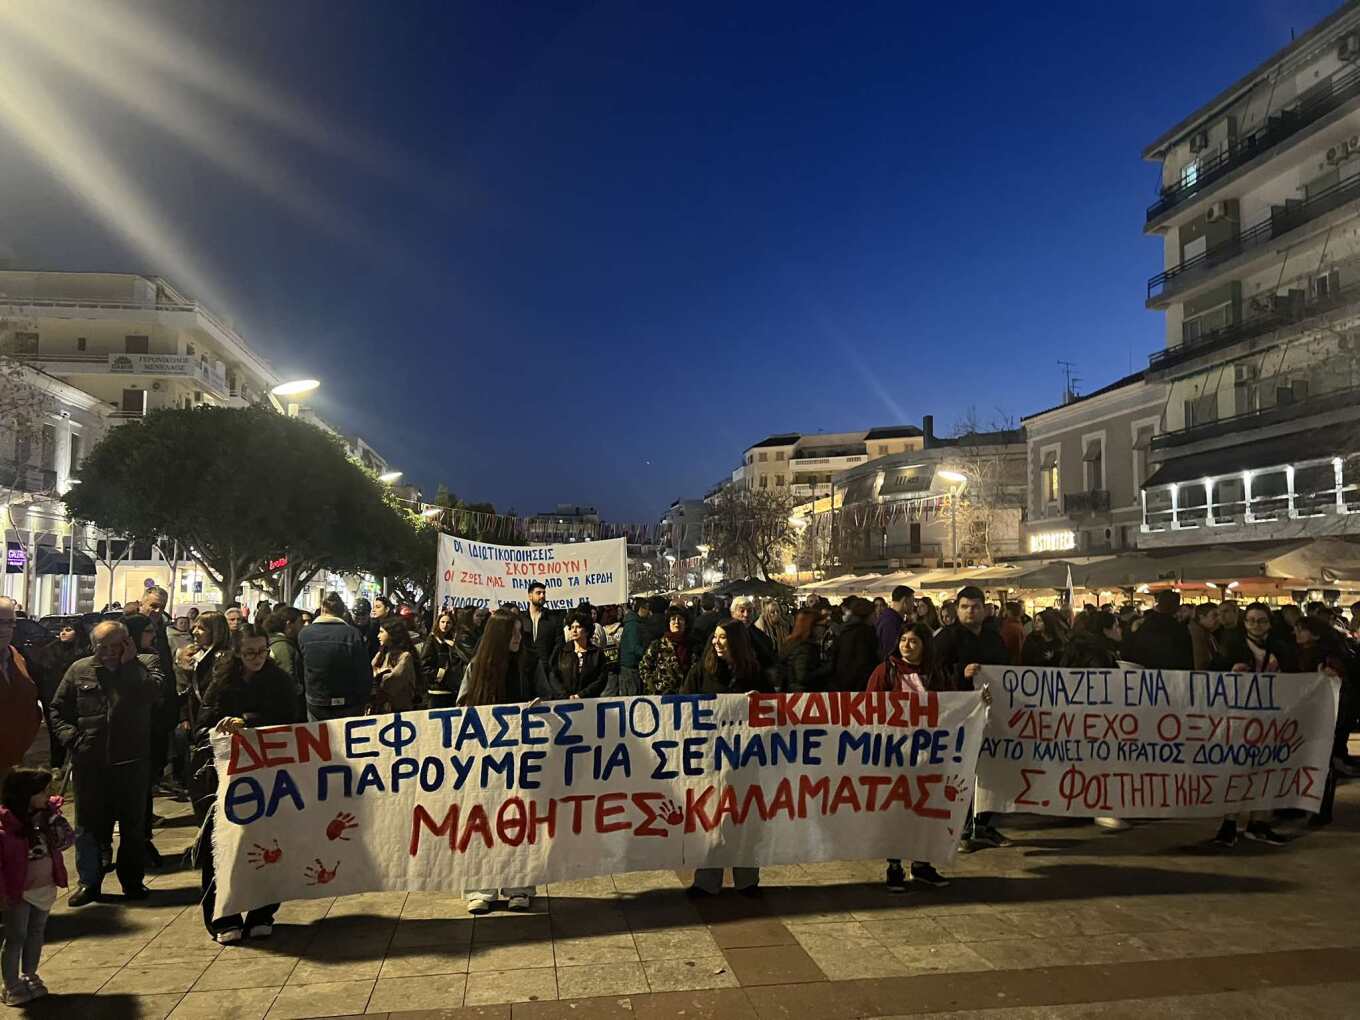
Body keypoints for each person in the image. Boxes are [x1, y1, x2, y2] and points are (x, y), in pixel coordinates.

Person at [195, 624, 300, 943]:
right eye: (250, 652)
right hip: (225, 778)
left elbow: (293, 724)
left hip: (268, 776)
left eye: (263, 651)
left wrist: (250, 723)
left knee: (268, 844)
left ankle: (262, 912)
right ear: (237, 653)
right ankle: (223, 915)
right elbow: (203, 725)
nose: (258, 658)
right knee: (224, 844)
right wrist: (222, 726)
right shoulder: (221, 682)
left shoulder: (281, 682)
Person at [50, 620, 160, 906]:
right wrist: (72, 739)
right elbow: (58, 710)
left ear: (128, 644)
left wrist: (129, 666)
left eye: (117, 646)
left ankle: (132, 882)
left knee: (132, 827)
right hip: (90, 764)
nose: (110, 652)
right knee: (88, 826)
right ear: (93, 645)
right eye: (104, 646)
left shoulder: (141, 668)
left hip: (131, 763)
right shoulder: (79, 670)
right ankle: (89, 882)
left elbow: (153, 696)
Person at [866, 624, 978, 890]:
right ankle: (894, 867)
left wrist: (977, 701)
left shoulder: (936, 674)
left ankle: (922, 865)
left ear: (925, 645)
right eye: (903, 640)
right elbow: (868, 707)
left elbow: (951, 706)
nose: (906, 646)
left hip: (929, 755)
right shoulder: (885, 671)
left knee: (926, 810)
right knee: (896, 811)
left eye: (913, 641)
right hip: (894, 754)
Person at [459, 611, 541, 913]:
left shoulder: (530, 665)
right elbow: (460, 709)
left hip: (522, 757)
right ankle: (481, 889)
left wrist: (540, 705)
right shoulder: (476, 668)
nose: (519, 639)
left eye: (520, 632)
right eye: (513, 633)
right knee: (482, 820)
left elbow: (548, 695)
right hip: (484, 760)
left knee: (518, 820)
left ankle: (519, 886)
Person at [683, 620, 770, 895]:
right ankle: (707, 881)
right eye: (715, 637)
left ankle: (747, 880)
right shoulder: (702, 670)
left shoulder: (755, 672)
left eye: (723, 638)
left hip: (746, 759)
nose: (716, 643)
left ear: (737, 642)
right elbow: (683, 703)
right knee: (711, 819)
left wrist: (759, 703)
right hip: (710, 757)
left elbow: (774, 708)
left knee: (744, 818)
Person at [935, 586, 1011, 850]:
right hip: (960, 717)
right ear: (957, 609)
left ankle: (986, 825)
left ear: (985, 608)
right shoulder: (947, 638)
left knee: (992, 770)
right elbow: (935, 674)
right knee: (963, 770)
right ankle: (963, 828)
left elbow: (1008, 670)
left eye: (975, 606)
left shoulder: (993, 638)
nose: (971, 611)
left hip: (994, 715)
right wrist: (961, 674)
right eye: (965, 607)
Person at [0, 768, 74, 1005]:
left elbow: (67, 841)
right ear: (25, 794)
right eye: (41, 792)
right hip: (19, 891)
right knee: (16, 936)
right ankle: (11, 984)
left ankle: (29, 975)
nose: (46, 795)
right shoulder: (6, 826)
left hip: (44, 886)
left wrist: (55, 821)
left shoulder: (45, 819)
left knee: (35, 932)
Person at [297, 594, 374, 722]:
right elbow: (364, 670)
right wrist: (365, 698)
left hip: (316, 700)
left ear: (322, 609)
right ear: (342, 612)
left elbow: (300, 667)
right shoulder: (353, 634)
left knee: (321, 739)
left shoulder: (305, 633)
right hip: (349, 702)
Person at [0, 598, 42, 786]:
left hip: (12, 759)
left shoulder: (16, 658)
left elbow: (29, 701)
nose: (4, 629)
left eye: (9, 623)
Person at [38, 621, 90, 770]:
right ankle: (57, 765)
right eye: (61, 630)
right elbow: (43, 676)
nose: (63, 633)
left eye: (68, 630)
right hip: (54, 697)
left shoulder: (84, 652)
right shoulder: (49, 651)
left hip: (78, 698)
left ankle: (76, 766)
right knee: (56, 732)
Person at [1122, 590, 1194, 670]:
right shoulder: (1179, 629)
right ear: (1176, 607)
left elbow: (1130, 651)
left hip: (1145, 674)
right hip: (1172, 675)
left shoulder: (1143, 624)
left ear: (1159, 603)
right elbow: (1186, 658)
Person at [553, 611, 609, 699]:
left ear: (586, 631)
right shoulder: (561, 651)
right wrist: (565, 695)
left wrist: (581, 695)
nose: (574, 630)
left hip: (590, 702)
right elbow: (553, 675)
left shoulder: (597, 653)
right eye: (572, 627)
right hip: (563, 702)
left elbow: (601, 679)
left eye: (578, 627)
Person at [421, 610, 470, 708]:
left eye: (448, 623)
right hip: (436, 690)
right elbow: (424, 664)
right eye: (442, 622)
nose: (445, 625)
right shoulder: (432, 640)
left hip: (452, 689)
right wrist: (439, 675)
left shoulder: (454, 641)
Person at [639, 608, 692, 696]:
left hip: (686, 697)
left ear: (686, 623)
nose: (677, 622)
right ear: (668, 623)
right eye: (673, 619)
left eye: (680, 619)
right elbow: (644, 667)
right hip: (662, 697)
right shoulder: (658, 645)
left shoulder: (692, 646)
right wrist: (654, 686)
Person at [371, 617, 419, 712]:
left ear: (392, 634)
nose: (378, 636)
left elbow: (392, 680)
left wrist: (379, 675)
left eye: (381, 632)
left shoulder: (405, 657)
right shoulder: (383, 653)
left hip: (398, 709)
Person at [832, 597, 881, 691]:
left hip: (842, 683)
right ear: (867, 614)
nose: (875, 616)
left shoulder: (844, 630)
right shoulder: (866, 632)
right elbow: (865, 660)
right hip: (861, 685)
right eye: (873, 613)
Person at [780, 608, 830, 693]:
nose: (824, 629)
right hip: (802, 696)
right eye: (822, 626)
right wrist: (826, 668)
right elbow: (802, 677)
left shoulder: (795, 643)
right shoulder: (805, 648)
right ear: (811, 627)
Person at [730, 598, 777, 684]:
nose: (746, 614)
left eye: (749, 611)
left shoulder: (760, 635)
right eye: (742, 611)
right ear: (733, 613)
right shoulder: (725, 634)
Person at [522, 582, 562, 683]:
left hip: (548, 671)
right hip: (525, 669)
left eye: (544, 593)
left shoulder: (553, 619)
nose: (542, 596)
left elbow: (559, 644)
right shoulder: (521, 619)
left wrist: (550, 663)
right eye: (538, 593)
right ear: (530, 596)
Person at [615, 598, 652, 697]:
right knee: (632, 696)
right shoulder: (633, 625)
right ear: (641, 609)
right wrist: (647, 655)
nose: (649, 612)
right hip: (630, 667)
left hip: (630, 666)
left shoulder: (636, 622)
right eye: (647, 608)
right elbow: (634, 647)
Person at [875, 585, 916, 661]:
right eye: (912, 601)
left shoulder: (889, 617)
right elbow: (891, 652)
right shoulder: (891, 622)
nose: (914, 605)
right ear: (905, 600)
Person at [1189, 603, 1227, 671]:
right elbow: (1201, 665)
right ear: (1201, 617)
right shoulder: (1197, 635)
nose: (1219, 619)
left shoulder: (1208, 634)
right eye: (1215, 615)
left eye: (1219, 615)